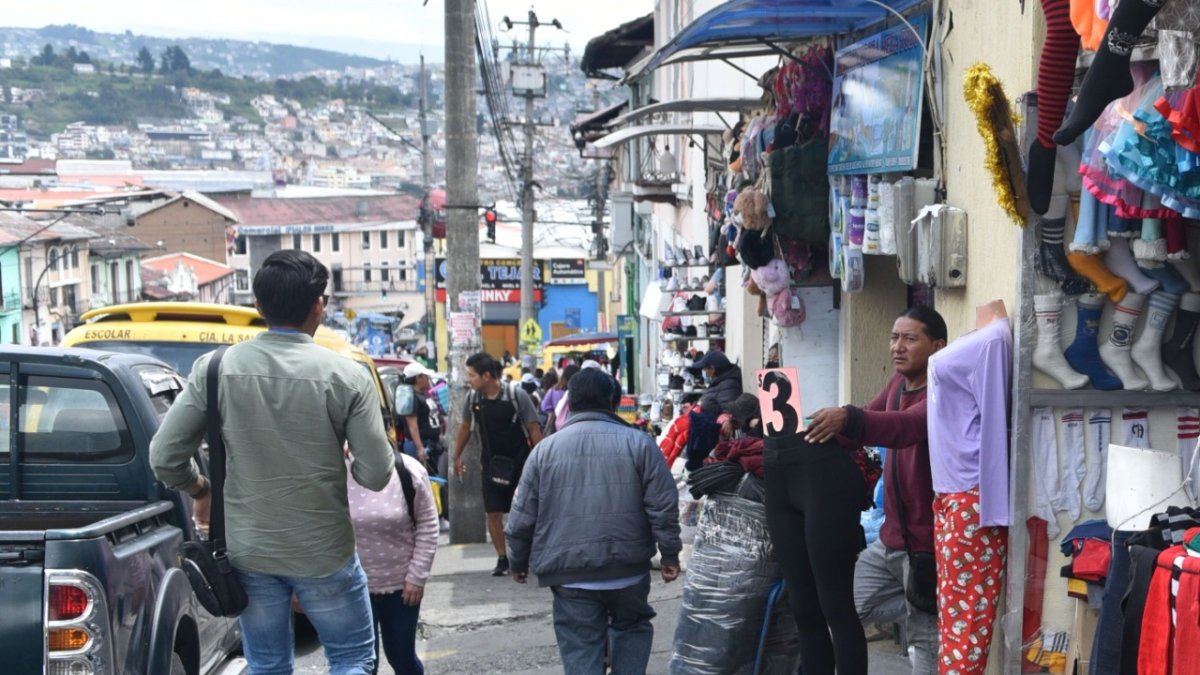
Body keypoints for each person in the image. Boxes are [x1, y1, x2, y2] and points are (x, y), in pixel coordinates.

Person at [150, 249, 394, 675]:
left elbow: (165, 458)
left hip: (249, 552)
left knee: (266, 664)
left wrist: (201, 488)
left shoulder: (215, 369)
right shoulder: (348, 377)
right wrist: (346, 463)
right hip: (325, 552)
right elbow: (376, 474)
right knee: (353, 659)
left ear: (258, 306)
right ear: (319, 305)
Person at [505, 368, 682, 675]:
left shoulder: (544, 451)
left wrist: (517, 561)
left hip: (570, 575)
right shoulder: (640, 444)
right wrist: (669, 555)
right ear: (613, 402)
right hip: (628, 571)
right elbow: (663, 507)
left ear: (570, 404)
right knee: (631, 628)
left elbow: (522, 517)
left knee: (581, 645)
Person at [803, 305, 948, 675]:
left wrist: (849, 418)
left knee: (925, 643)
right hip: (890, 541)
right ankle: (922, 603)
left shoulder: (943, 390)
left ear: (937, 346)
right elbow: (864, 426)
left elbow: (905, 428)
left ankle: (927, 607)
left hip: (926, 546)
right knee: (844, 605)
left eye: (909, 339)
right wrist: (813, 434)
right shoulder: (899, 384)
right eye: (893, 337)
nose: (897, 346)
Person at [347, 452, 439, 675]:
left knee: (402, 659)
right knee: (363, 665)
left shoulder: (408, 470)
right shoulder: (333, 471)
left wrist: (417, 576)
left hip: (401, 589)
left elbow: (428, 523)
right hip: (351, 590)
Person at [452, 352, 543, 576]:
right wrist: (456, 456)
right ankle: (503, 557)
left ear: (486, 376)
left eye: (472, 375)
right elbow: (465, 427)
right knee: (493, 512)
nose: (469, 380)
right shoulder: (473, 399)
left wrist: (541, 458)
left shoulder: (516, 395)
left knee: (526, 512)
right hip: (491, 464)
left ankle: (527, 554)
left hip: (521, 462)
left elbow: (533, 427)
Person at [400, 362, 442, 471]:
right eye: (425, 376)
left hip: (431, 443)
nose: (428, 378)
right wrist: (420, 448)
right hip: (421, 445)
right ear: (418, 378)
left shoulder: (422, 394)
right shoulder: (411, 397)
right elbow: (412, 425)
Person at [690, 349, 743, 417]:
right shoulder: (719, 382)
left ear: (712, 369)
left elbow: (728, 417)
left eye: (705, 369)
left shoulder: (729, 386)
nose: (704, 372)